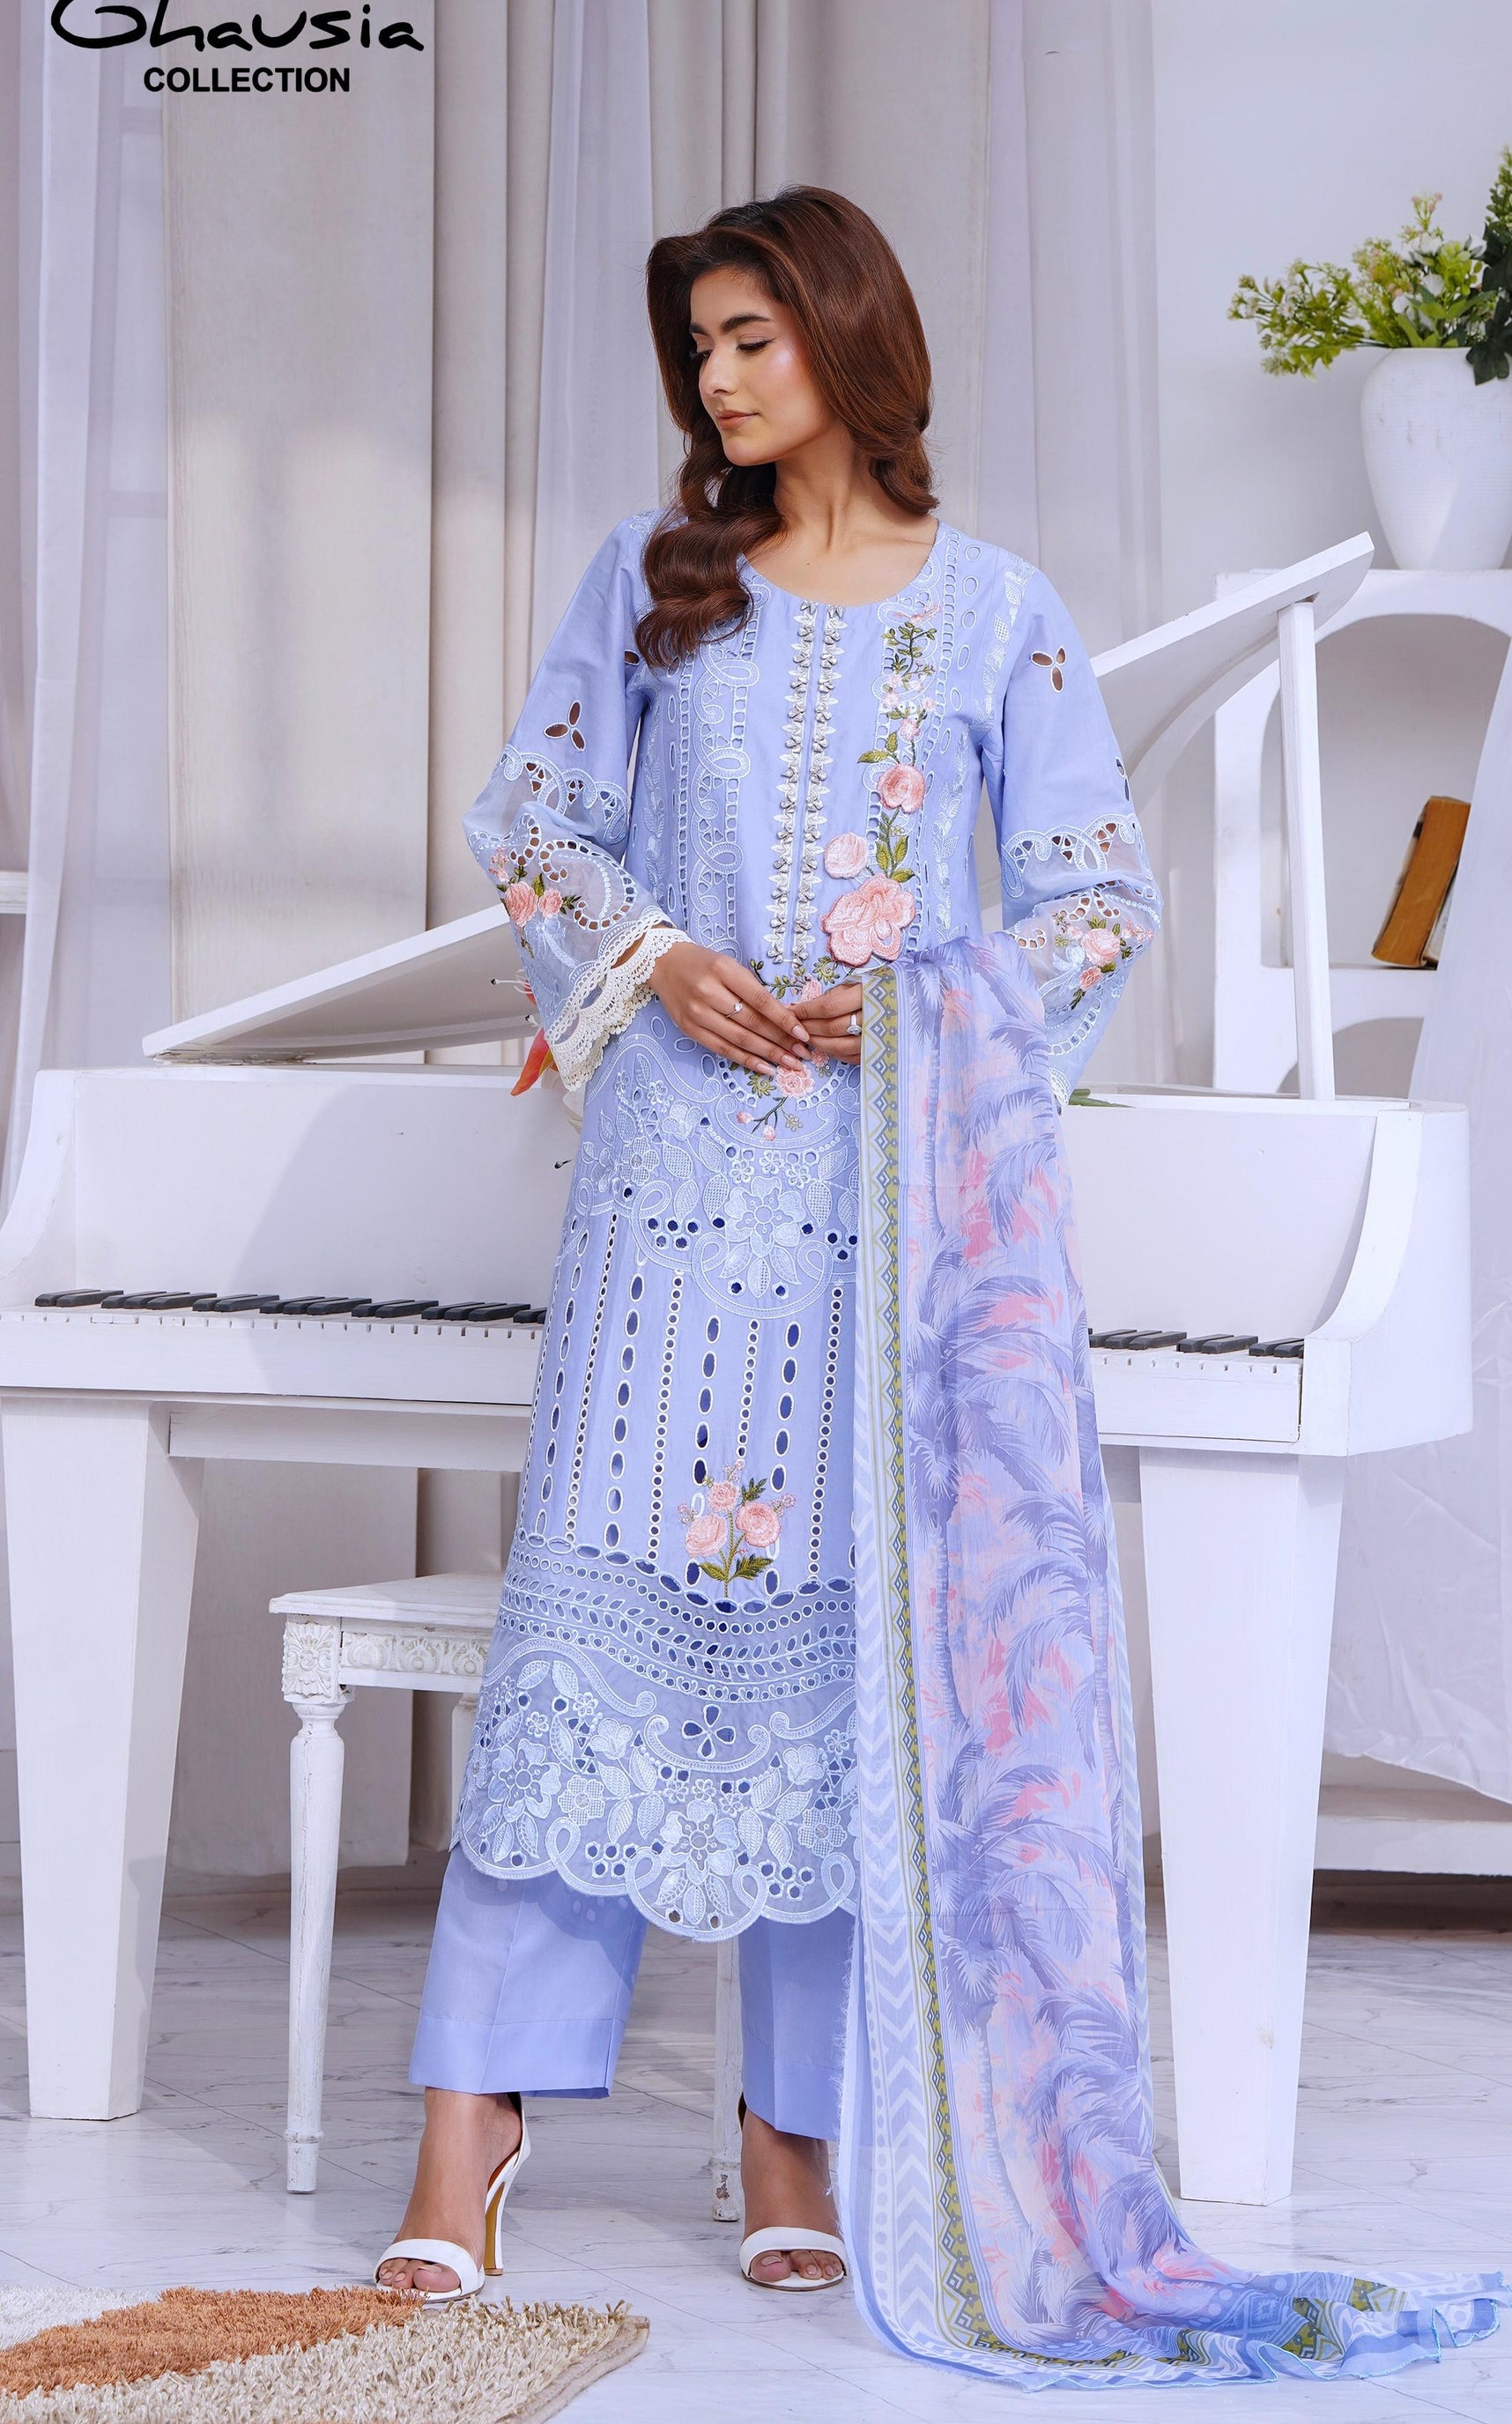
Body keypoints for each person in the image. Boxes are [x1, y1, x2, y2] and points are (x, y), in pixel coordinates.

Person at [375, 184, 1160, 2303]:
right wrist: (655, 954)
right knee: (584, 1640)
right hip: (662, 1202)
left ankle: (790, 2123)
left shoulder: (999, 614)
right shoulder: (658, 585)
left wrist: (922, 1009)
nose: (717, 378)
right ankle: (472, 2118)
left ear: (845, 333)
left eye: (751, 336)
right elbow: (531, 822)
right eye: (699, 347)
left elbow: (1098, 899)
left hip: (876, 1216)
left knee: (839, 1656)